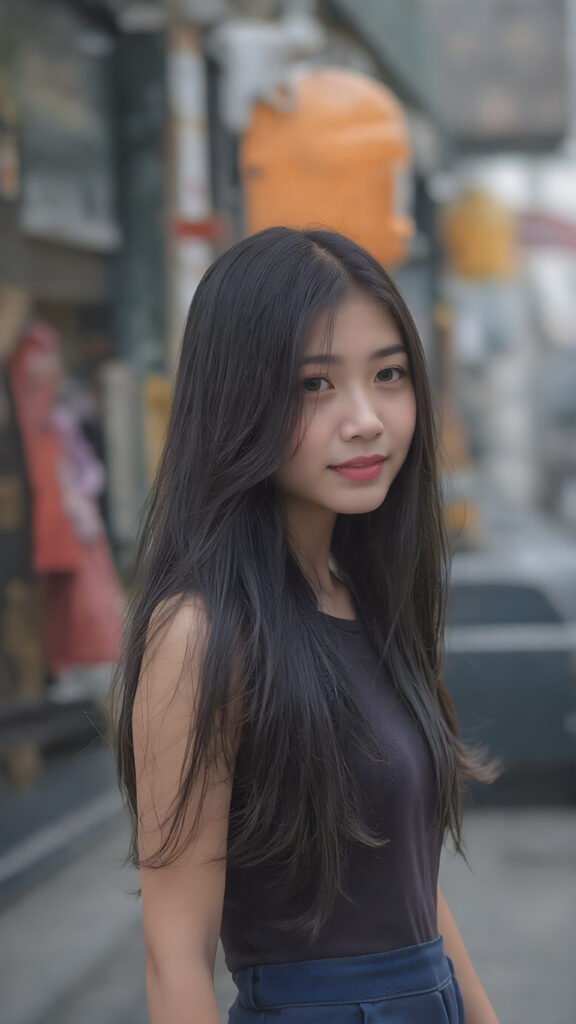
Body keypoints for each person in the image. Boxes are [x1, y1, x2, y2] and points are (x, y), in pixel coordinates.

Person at [113, 227, 500, 1023]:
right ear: (237, 400)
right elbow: (173, 955)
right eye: (314, 385)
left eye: (389, 375)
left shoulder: (370, 599)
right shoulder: (199, 635)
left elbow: (412, 890)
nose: (366, 419)